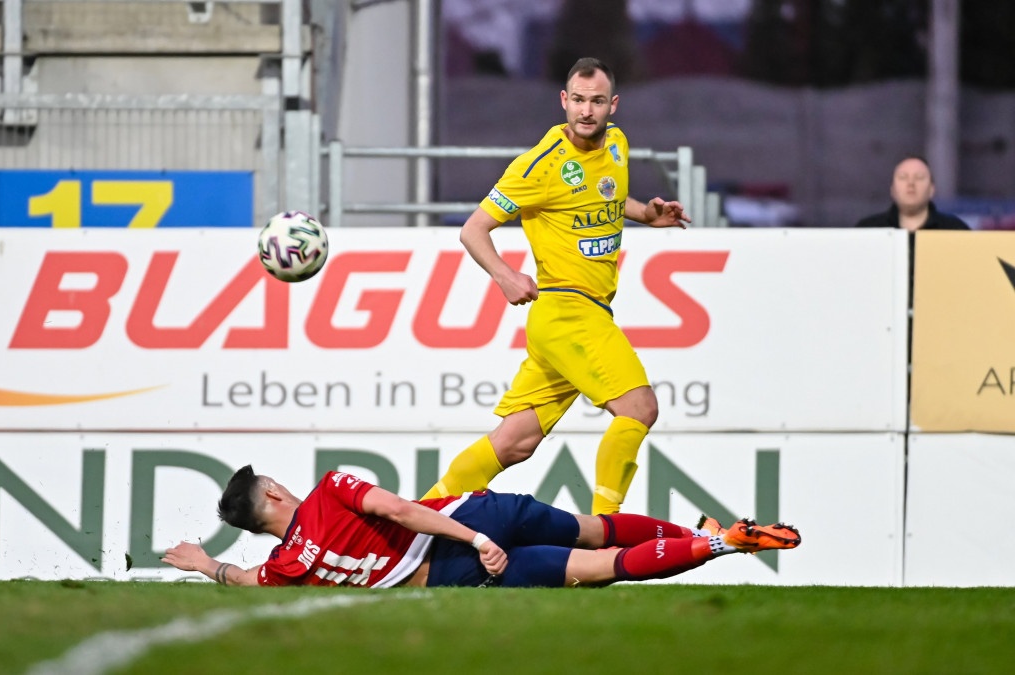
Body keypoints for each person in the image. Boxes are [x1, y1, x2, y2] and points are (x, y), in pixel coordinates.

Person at [422, 57, 690, 515]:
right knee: (639, 408)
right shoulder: (539, 166)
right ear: (564, 100)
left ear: (613, 105)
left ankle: (415, 521)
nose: (586, 111)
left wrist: (648, 214)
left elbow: (607, 195)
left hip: (574, 318)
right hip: (568, 311)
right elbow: (473, 230)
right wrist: (506, 276)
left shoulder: (617, 143)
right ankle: (603, 533)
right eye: (578, 100)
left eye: (597, 101)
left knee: (514, 442)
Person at [161, 465, 801, 589]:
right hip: (471, 524)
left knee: (600, 568)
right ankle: (707, 533)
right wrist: (474, 535)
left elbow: (242, 578)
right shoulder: (330, 489)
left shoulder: (285, 569)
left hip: (456, 574)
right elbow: (400, 510)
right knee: (598, 529)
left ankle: (717, 543)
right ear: (273, 491)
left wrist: (204, 563)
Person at [853, 156, 970, 231]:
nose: (911, 183)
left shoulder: (955, 230)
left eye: (919, 177)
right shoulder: (868, 230)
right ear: (892, 189)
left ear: (931, 189)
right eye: (903, 177)